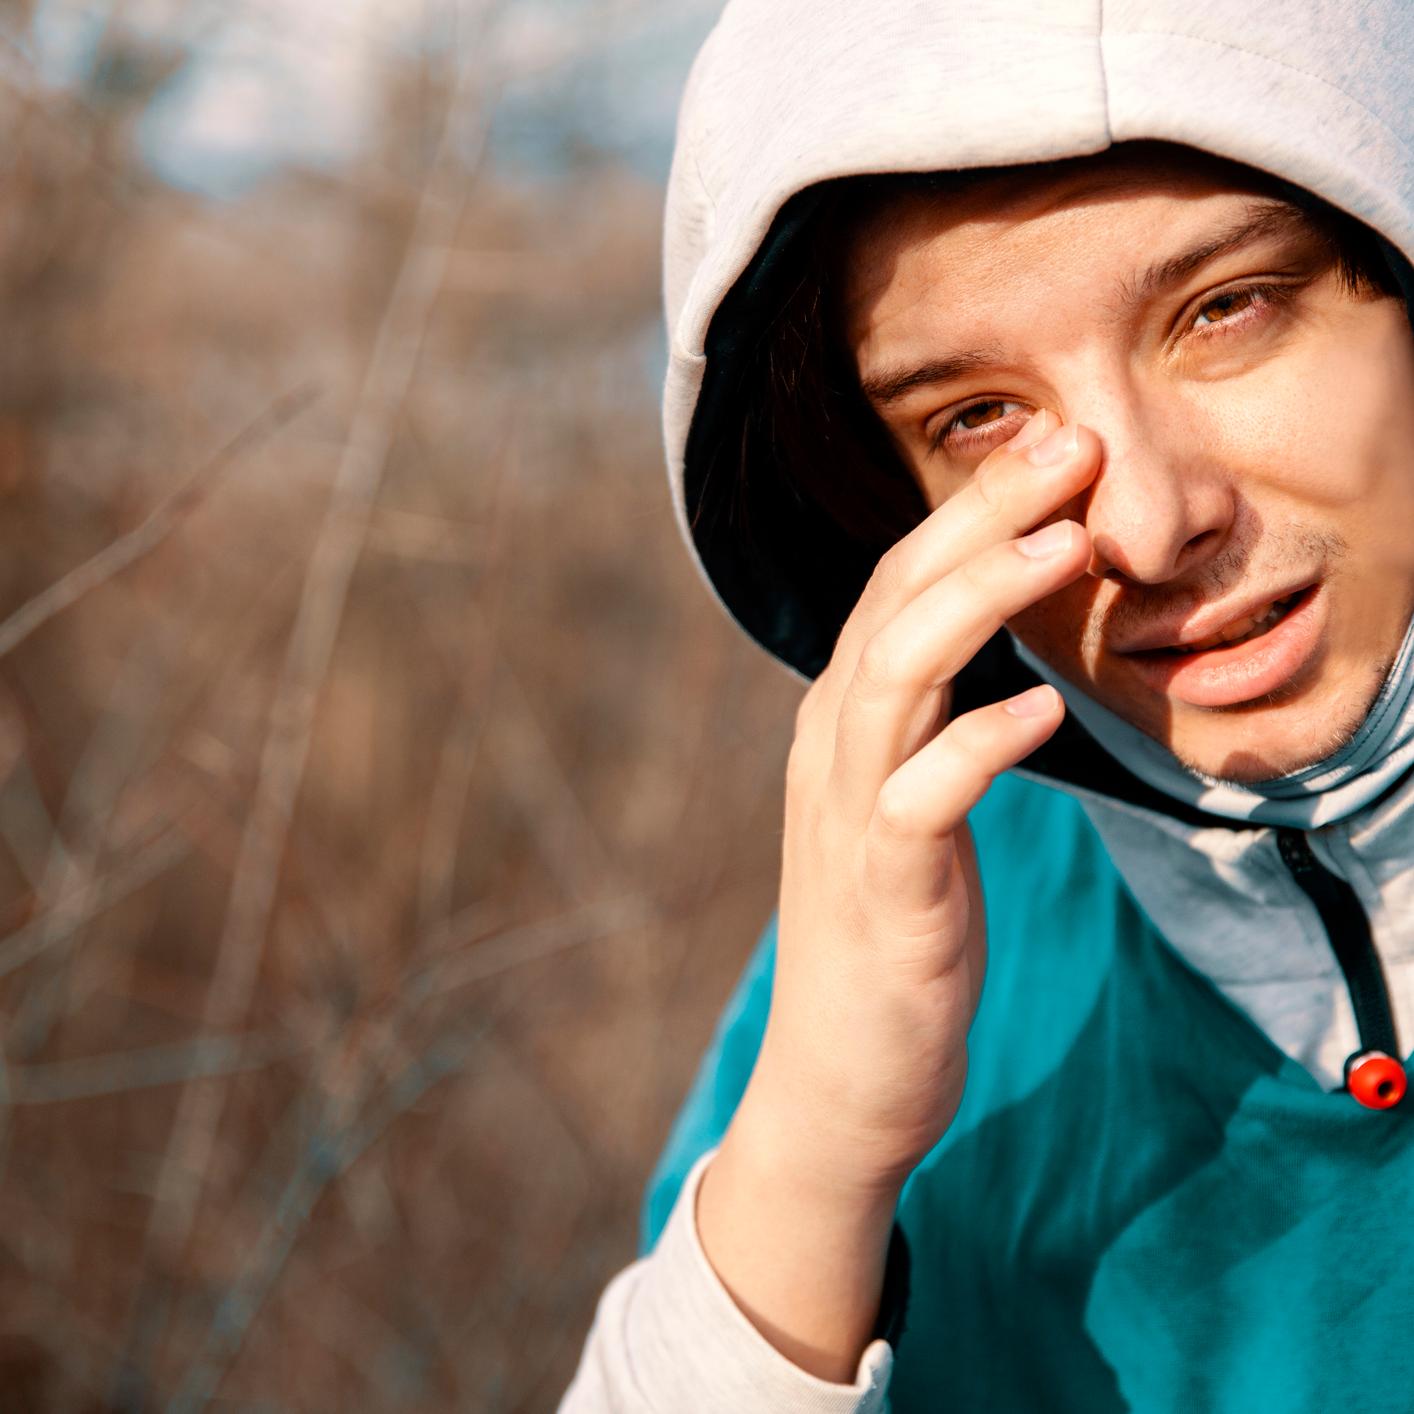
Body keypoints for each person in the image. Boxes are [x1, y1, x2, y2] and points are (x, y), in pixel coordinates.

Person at [560, 1, 1414, 1409]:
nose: (1145, 526)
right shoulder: (906, 930)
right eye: (979, 416)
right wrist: (818, 1144)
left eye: (1224, 311)